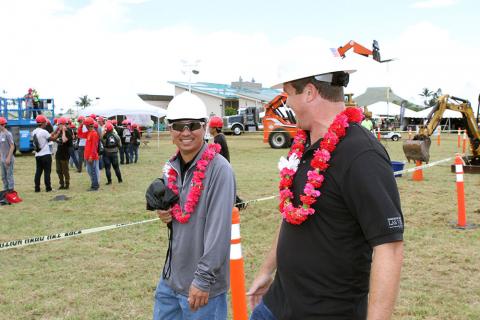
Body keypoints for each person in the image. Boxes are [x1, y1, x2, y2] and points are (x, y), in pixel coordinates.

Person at [247, 58, 404, 320]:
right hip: (276, 305)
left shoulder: (361, 154)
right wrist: (266, 270)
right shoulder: (304, 143)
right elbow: (292, 212)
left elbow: (389, 246)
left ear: (308, 93)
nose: (287, 103)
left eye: (288, 94)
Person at [152, 91, 236, 320]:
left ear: (205, 127)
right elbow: (181, 215)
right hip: (170, 281)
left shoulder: (220, 170)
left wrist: (203, 279)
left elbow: (219, 232)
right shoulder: (171, 167)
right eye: (178, 125)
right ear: (169, 129)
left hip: (202, 288)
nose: (186, 132)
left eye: (193, 125)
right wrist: (165, 213)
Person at [32, 115, 56, 192]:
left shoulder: (34, 131)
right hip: (45, 154)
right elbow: (53, 139)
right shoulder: (44, 131)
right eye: (45, 122)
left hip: (37, 155)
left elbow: (48, 136)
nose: (46, 123)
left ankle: (37, 188)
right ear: (42, 123)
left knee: (38, 172)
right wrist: (58, 131)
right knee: (47, 172)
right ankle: (48, 188)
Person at [77, 117, 100, 191]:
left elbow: (94, 147)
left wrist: (91, 156)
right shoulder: (89, 133)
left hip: (91, 157)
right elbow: (80, 134)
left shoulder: (94, 134)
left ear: (87, 126)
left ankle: (95, 186)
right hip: (88, 156)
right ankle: (95, 184)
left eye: (85, 126)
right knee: (90, 171)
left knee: (93, 171)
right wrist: (81, 125)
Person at [54, 117, 72, 189]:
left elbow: (64, 140)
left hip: (65, 154)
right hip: (58, 154)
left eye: (59, 124)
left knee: (65, 170)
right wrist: (57, 131)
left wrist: (64, 131)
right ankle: (61, 184)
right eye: (58, 125)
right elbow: (54, 138)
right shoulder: (59, 132)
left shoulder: (68, 132)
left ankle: (67, 184)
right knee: (58, 170)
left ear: (63, 124)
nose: (58, 126)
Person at [0, 117, 15, 192]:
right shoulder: (1, 134)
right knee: (3, 176)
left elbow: (12, 146)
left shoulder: (8, 134)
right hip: (2, 159)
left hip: (8, 159)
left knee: (9, 175)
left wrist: (8, 158)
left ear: (2, 125)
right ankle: (5, 190)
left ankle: (10, 190)